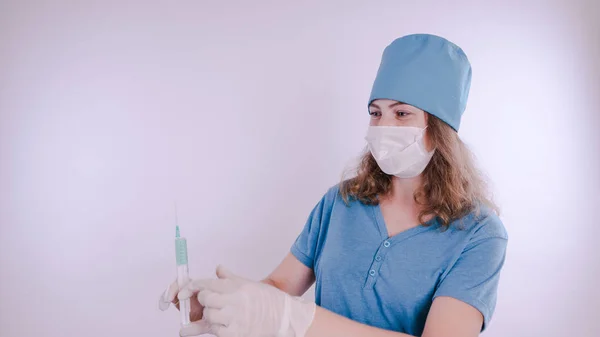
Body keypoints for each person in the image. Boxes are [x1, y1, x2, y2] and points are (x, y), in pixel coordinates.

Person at [159, 33, 508, 337]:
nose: (383, 125)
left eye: (402, 114)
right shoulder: (341, 202)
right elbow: (280, 287)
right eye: (375, 113)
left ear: (440, 129)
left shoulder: (478, 235)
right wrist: (221, 305)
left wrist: (294, 320)